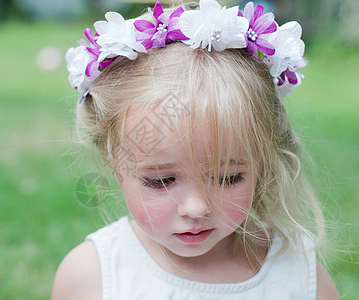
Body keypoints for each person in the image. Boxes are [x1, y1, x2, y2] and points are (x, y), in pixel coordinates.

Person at [52, 1, 339, 299]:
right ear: (116, 162)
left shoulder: (296, 272)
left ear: (262, 161)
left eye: (227, 177)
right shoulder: (92, 276)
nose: (197, 207)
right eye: (161, 180)